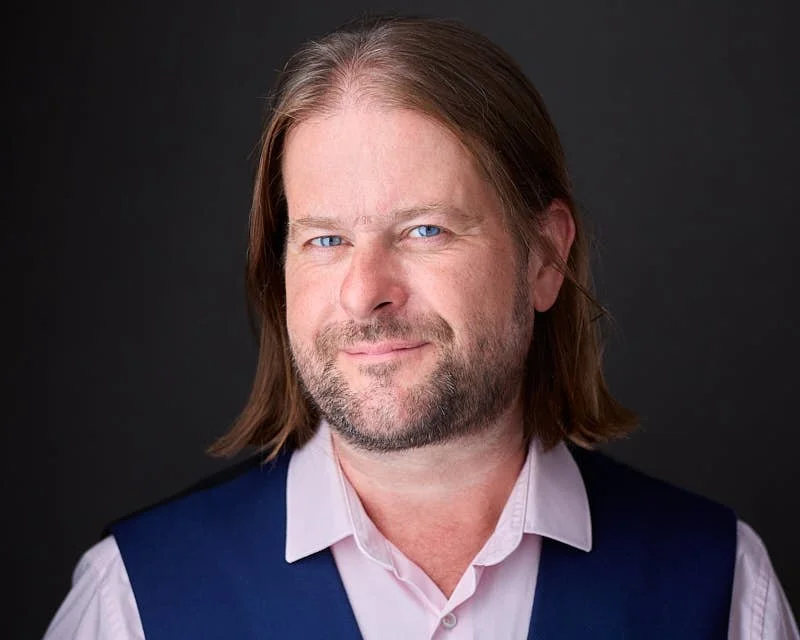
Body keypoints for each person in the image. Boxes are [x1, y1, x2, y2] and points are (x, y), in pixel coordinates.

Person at [45, 15, 797, 639]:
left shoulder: (722, 584)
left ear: (544, 259)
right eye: (326, 239)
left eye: (426, 230)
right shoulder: (133, 599)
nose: (365, 292)